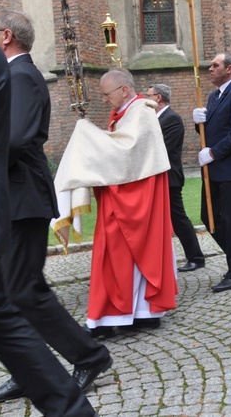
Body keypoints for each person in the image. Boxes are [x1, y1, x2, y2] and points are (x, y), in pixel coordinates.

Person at [0, 9, 112, 404]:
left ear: (5, 36)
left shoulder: (20, 74)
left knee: (23, 289)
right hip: (15, 197)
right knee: (9, 291)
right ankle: (29, 369)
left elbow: (15, 138)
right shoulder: (12, 73)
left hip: (21, 197)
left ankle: (89, 355)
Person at [53, 68, 178, 338]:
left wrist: (87, 136)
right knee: (122, 259)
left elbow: (125, 154)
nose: (104, 100)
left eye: (106, 94)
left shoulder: (142, 113)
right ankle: (139, 313)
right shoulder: (126, 114)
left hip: (136, 203)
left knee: (120, 258)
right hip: (123, 197)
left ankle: (121, 316)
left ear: (124, 89)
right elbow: (120, 153)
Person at [192, 53, 231, 292]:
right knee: (208, 217)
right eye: (210, 65)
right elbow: (211, 133)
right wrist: (198, 124)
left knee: (229, 220)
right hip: (214, 167)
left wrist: (214, 153)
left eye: (215, 65)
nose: (210, 69)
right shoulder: (213, 96)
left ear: (229, 69)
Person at [145, 84, 206, 273]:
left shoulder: (172, 119)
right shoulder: (153, 119)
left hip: (169, 178)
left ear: (158, 98)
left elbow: (163, 148)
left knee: (178, 218)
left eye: (149, 96)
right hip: (155, 177)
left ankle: (196, 257)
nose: (146, 100)